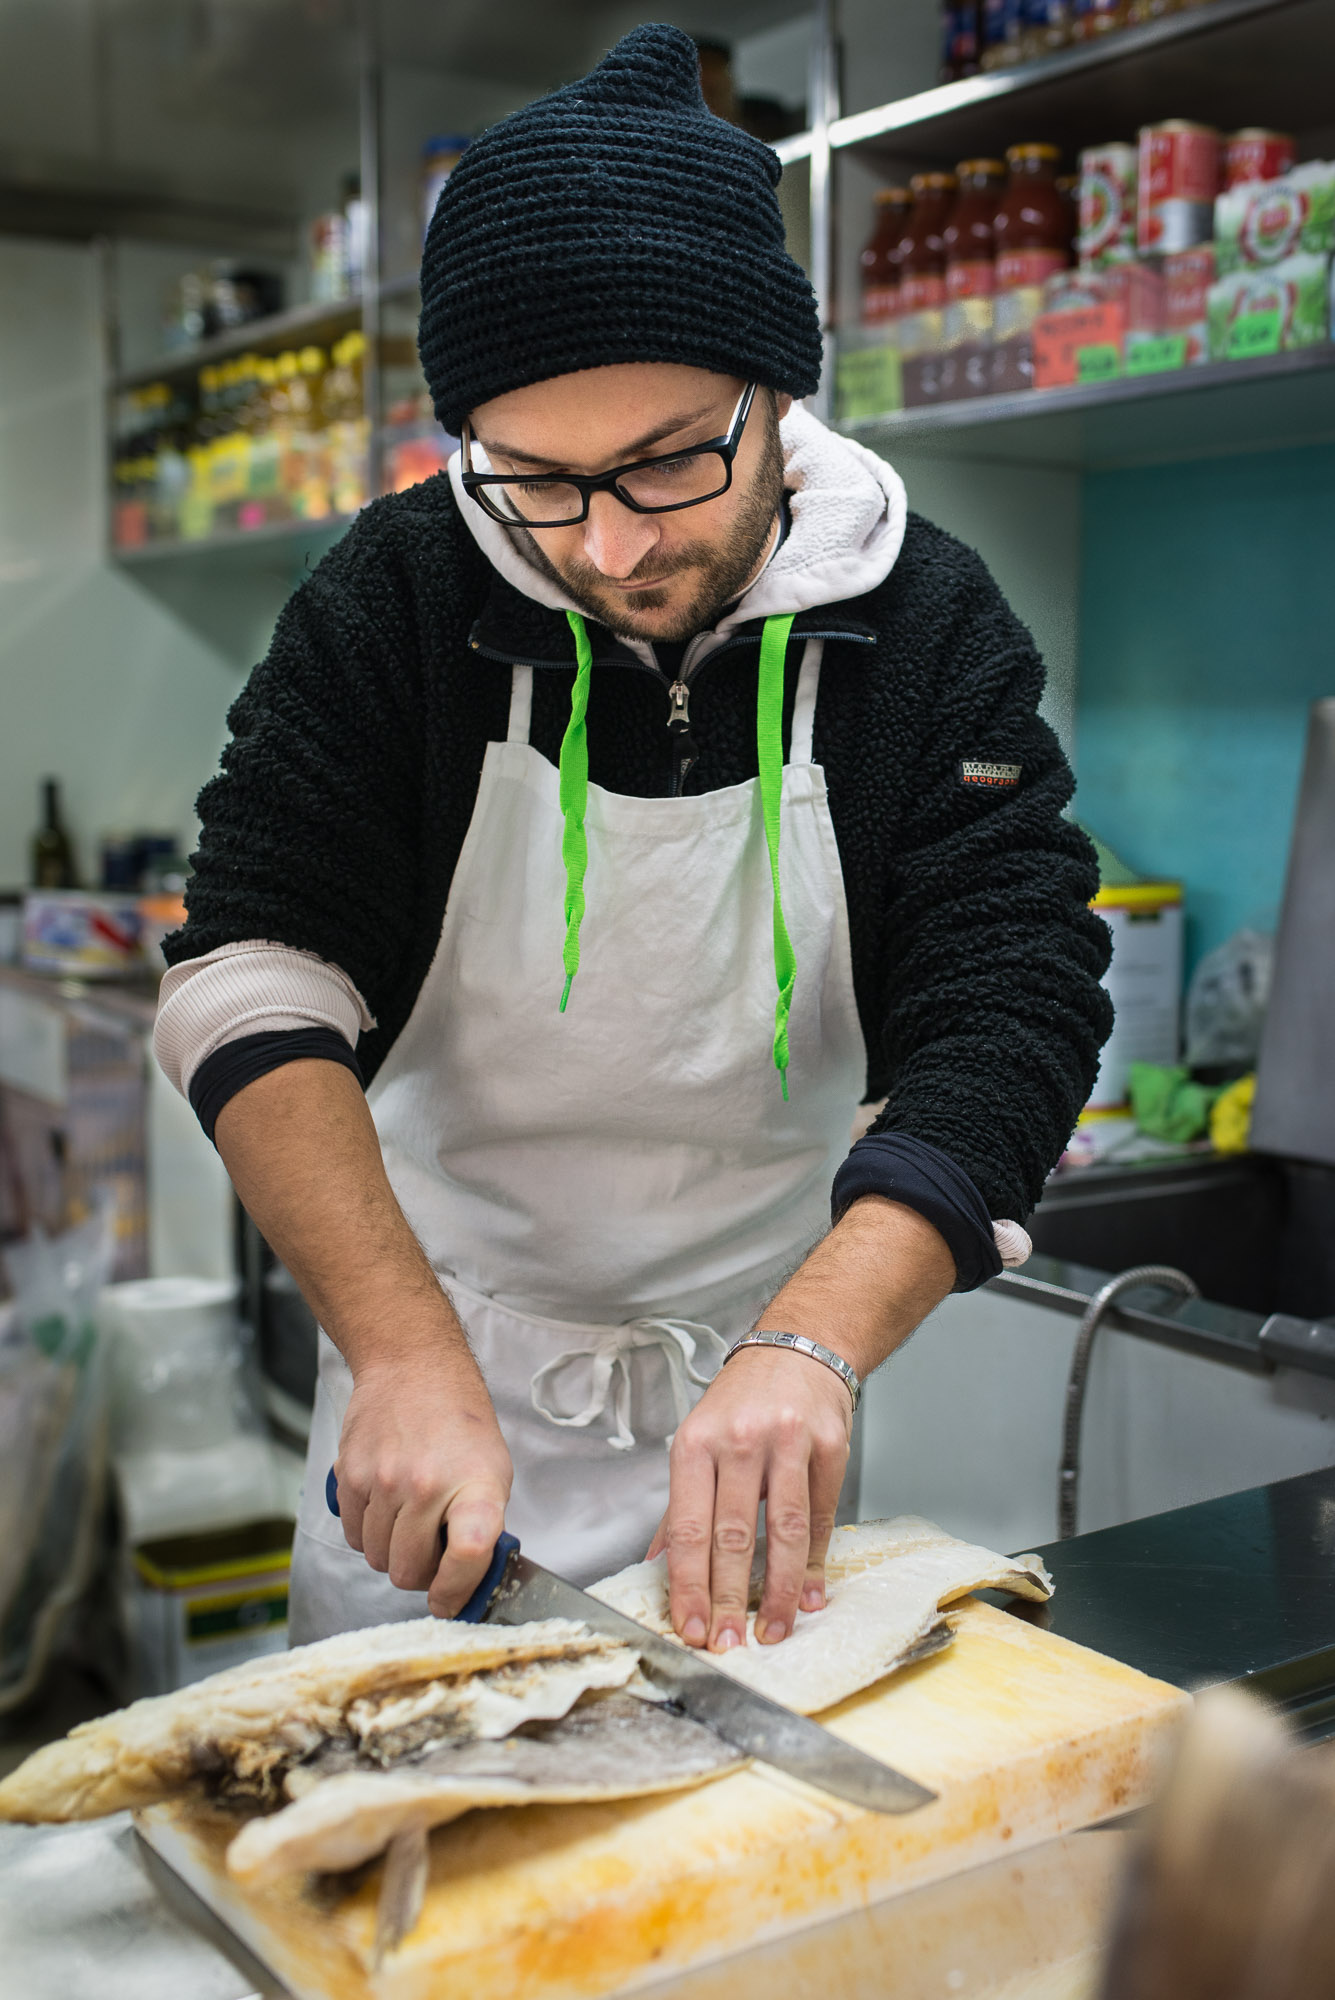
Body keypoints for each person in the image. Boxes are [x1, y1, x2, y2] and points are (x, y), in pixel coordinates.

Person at [153, 24, 1111, 1652]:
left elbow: (1011, 996)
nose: (606, 546)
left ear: (774, 391)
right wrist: (396, 1347)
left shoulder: (925, 620)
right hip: (434, 1415)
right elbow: (254, 970)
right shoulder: (398, 597)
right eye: (533, 478)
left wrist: (813, 1343)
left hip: (761, 1408)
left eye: (667, 462)